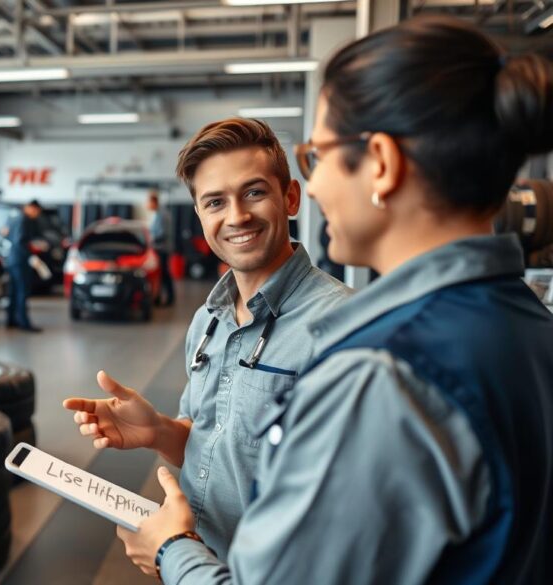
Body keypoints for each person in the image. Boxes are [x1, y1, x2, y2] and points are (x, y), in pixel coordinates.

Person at [117, 16, 553, 584]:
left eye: (316, 158)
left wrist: (172, 547)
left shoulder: (379, 370)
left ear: (380, 163)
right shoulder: (529, 324)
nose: (315, 186)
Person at [64, 118, 351, 557]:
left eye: (254, 192)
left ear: (290, 197)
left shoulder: (342, 326)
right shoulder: (206, 322)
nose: (236, 217)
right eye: (215, 202)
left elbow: (350, 509)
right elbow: (211, 445)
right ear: (199, 215)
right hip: (202, 560)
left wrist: (173, 555)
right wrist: (159, 431)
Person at [6, 199, 43, 332]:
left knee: (13, 291)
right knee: (22, 291)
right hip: (21, 261)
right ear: (32, 208)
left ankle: (11, 320)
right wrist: (31, 256)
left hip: (11, 259)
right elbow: (20, 241)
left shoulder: (13, 218)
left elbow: (5, 234)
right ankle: (24, 323)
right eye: (37, 211)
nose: (37, 215)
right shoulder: (24, 220)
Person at [147, 190, 175, 306]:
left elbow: (162, 233)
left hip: (162, 249)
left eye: (148, 203)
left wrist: (150, 239)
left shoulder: (162, 215)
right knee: (160, 274)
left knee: (164, 274)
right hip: (160, 249)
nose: (147, 206)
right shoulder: (159, 213)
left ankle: (169, 298)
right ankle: (158, 298)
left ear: (154, 202)